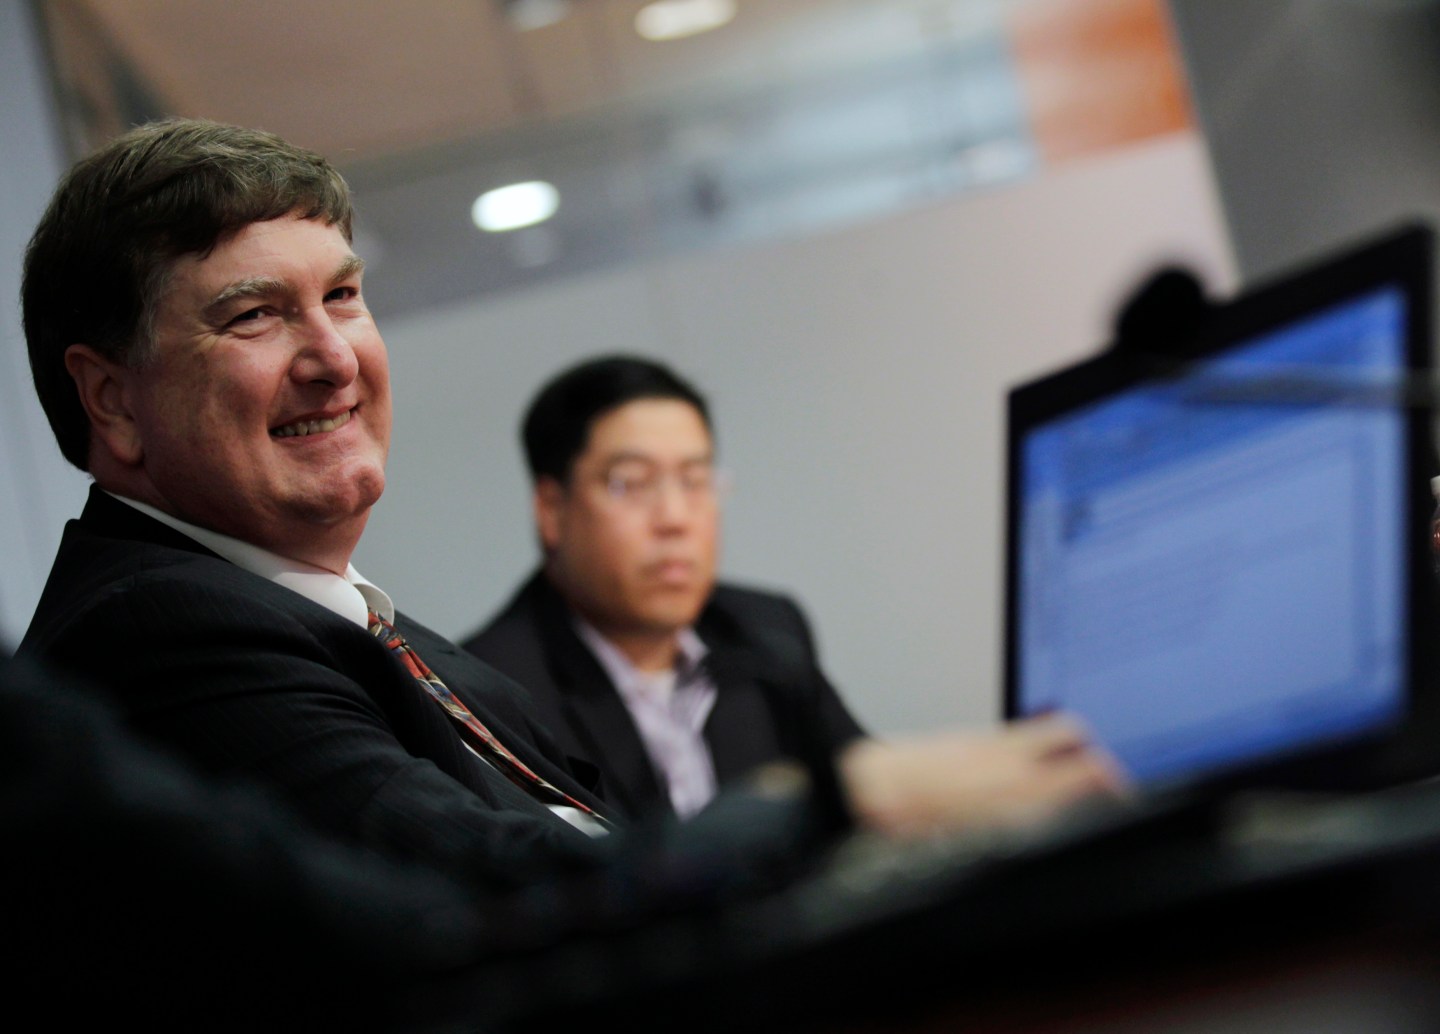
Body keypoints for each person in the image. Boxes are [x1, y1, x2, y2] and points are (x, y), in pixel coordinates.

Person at [17, 117, 1122, 905]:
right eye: (255, 315)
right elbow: (487, 889)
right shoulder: (162, 632)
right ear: (111, 399)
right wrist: (848, 801)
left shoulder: (370, 632)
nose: (334, 357)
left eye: (342, 296)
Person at [463, 356, 863, 820]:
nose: (675, 518)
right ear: (552, 510)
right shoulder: (488, 696)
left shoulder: (765, 631)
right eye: (632, 483)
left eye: (695, 481)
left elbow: (864, 791)